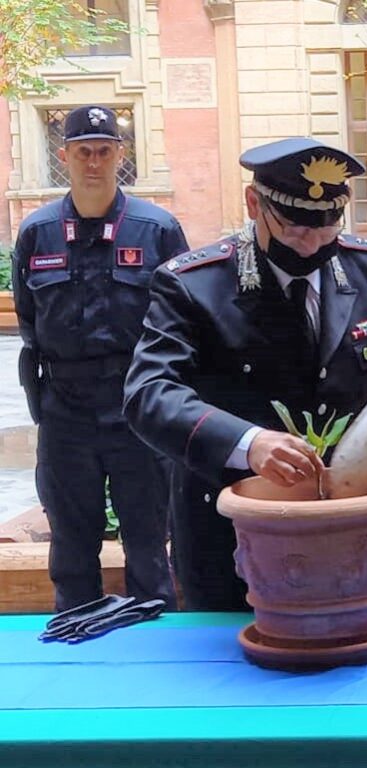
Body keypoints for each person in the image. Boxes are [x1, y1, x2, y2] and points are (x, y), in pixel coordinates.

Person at [123, 138, 367, 610]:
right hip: (233, 537)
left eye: (329, 225)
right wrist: (249, 443)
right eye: (296, 225)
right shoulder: (194, 285)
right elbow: (148, 395)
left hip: (348, 522)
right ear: (254, 203)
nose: (314, 242)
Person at [13, 105, 188, 612]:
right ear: (64, 156)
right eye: (83, 151)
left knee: (150, 542)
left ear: (121, 155)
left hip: (139, 407)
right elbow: (30, 321)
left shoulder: (156, 229)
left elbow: (183, 320)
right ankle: (76, 646)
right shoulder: (37, 232)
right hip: (65, 411)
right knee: (70, 545)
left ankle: (153, 656)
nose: (94, 162)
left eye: (104, 151)